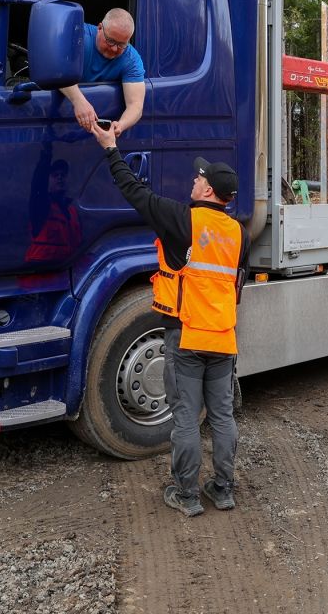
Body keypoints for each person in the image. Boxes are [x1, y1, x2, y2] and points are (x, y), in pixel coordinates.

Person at [89, 121, 248, 518]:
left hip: (187, 335)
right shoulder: (238, 233)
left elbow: (135, 193)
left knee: (186, 418)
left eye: (200, 178)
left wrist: (110, 149)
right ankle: (223, 490)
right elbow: (236, 285)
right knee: (222, 416)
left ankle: (187, 495)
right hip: (223, 337)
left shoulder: (183, 220)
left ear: (209, 191)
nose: (194, 180)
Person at [61, 8, 145, 135]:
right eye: (110, 41)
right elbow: (56, 70)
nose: (114, 49)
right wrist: (78, 100)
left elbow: (136, 105)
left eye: (122, 44)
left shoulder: (131, 59)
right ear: (100, 28)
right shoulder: (76, 36)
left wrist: (121, 125)